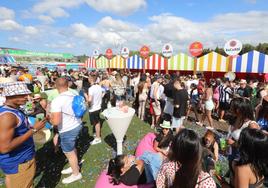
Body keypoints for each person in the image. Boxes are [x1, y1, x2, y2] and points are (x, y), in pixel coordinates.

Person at [0, 82, 47, 188]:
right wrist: (34, 129)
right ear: (10, 96)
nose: (27, 97)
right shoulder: (7, 116)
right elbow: (4, 147)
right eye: (23, 95)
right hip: (19, 162)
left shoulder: (15, 109)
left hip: (20, 160)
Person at [49, 78, 82, 184]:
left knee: (69, 152)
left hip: (67, 129)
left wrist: (49, 118)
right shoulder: (73, 95)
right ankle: (74, 166)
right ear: (67, 84)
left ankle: (76, 174)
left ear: (56, 86)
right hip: (77, 124)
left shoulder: (57, 100)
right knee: (72, 148)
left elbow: (56, 121)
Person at [87, 74, 103, 145]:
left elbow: (89, 100)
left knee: (96, 123)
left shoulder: (91, 89)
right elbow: (103, 93)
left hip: (93, 108)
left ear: (90, 79)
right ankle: (97, 134)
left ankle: (98, 138)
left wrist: (88, 104)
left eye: (89, 78)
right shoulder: (99, 87)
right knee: (97, 122)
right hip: (98, 107)